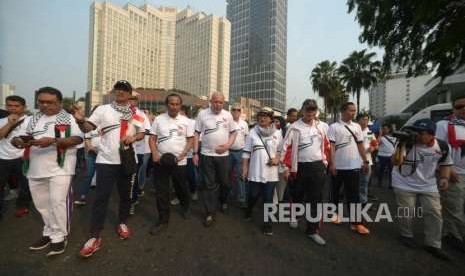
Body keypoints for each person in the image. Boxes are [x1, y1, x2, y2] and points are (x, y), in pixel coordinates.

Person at [73, 80, 145, 257]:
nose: (121, 92)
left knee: (125, 196)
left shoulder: (137, 113)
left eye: (125, 90)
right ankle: (95, 236)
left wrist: (133, 138)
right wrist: (81, 122)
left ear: (130, 94)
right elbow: (89, 127)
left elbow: (143, 132)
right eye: (118, 89)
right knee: (101, 198)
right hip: (106, 160)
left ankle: (122, 222)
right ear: (114, 92)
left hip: (127, 160)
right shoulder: (102, 109)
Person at [11, 87, 83, 256]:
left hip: (61, 168)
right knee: (42, 205)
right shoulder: (31, 119)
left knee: (58, 203)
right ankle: (49, 232)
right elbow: (17, 137)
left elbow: (78, 139)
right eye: (41, 102)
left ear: (59, 103)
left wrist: (54, 141)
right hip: (35, 168)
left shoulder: (69, 118)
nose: (45, 105)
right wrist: (20, 141)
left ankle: (59, 237)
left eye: (50, 102)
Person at [392, 118, 452, 260]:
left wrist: (444, 178)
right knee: (406, 212)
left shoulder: (442, 146)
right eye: (415, 131)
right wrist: (402, 145)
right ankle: (406, 235)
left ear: (432, 135)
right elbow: (394, 162)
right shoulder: (406, 143)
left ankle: (434, 244)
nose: (417, 135)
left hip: (428, 185)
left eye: (421, 133)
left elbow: (445, 164)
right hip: (403, 182)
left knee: (434, 213)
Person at [281, 99, 328, 245]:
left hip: (317, 167)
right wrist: (286, 168)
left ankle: (312, 230)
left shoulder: (321, 127)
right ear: (303, 110)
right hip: (299, 167)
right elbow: (285, 148)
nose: (310, 113)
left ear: (316, 111)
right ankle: (294, 216)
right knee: (297, 195)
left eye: (313, 110)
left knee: (315, 199)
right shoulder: (295, 127)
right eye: (308, 110)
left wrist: (324, 162)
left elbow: (325, 146)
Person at [148, 94, 193, 234]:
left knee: (181, 187)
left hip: (179, 161)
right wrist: (155, 153)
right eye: (171, 104)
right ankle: (163, 220)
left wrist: (183, 154)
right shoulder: (159, 120)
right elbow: (152, 138)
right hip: (161, 160)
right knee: (161, 192)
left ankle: (185, 206)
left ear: (180, 105)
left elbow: (191, 139)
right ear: (167, 104)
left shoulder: (186, 121)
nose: (174, 106)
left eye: (177, 104)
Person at [193, 92, 237, 227]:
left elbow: (233, 132)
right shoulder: (202, 114)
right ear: (211, 101)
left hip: (223, 156)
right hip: (207, 155)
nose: (218, 105)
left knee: (224, 182)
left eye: (221, 102)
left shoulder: (228, 115)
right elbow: (196, 133)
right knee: (208, 185)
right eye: (215, 102)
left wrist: (228, 145)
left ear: (223, 103)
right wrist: (195, 153)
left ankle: (223, 201)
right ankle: (210, 213)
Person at [328, 102, 370, 235]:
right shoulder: (334, 127)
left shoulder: (357, 126)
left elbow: (360, 145)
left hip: (354, 166)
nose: (352, 113)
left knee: (354, 196)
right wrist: (332, 164)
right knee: (335, 193)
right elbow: (332, 147)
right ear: (343, 111)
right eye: (350, 110)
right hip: (338, 166)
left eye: (354, 111)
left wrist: (365, 161)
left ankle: (356, 223)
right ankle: (334, 214)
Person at [242, 107, 282, 236]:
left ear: (271, 119)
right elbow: (246, 153)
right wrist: (244, 169)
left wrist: (277, 158)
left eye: (265, 116)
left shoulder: (277, 133)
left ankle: (267, 224)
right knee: (253, 195)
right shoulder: (252, 132)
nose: (262, 118)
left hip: (271, 173)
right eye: (260, 115)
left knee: (268, 199)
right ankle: (249, 210)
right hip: (255, 172)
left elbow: (281, 151)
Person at [436, 96, 465, 252]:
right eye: (460, 106)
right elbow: (438, 149)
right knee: (455, 208)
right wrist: (448, 170)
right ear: (453, 108)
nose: (464, 109)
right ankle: (455, 236)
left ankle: (451, 234)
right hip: (456, 173)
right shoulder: (443, 125)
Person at [0, 95, 32, 220]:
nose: (13, 108)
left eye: (16, 106)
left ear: (24, 107)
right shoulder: (2, 120)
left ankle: (22, 206)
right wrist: (9, 124)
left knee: (25, 185)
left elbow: (33, 139)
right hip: (2, 158)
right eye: (9, 105)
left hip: (22, 158)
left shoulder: (30, 121)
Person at [74, 105, 101, 206]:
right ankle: (82, 197)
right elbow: (87, 139)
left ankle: (100, 200)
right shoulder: (89, 125)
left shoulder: (106, 124)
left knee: (103, 177)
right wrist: (91, 148)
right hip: (92, 153)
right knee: (88, 175)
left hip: (104, 155)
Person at [128, 95, 151, 215]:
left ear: (136, 102)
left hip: (139, 150)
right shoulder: (119, 112)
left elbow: (146, 130)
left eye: (133, 100)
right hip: (120, 151)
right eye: (129, 99)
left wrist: (133, 118)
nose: (131, 101)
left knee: (135, 175)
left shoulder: (140, 114)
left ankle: (133, 200)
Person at [229, 103, 249, 208]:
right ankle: (227, 196)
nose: (236, 111)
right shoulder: (227, 122)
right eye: (234, 109)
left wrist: (246, 153)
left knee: (241, 176)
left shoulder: (244, 124)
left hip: (240, 152)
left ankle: (242, 198)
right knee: (227, 175)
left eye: (238, 110)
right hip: (228, 152)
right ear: (231, 111)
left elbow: (247, 138)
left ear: (241, 112)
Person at [357, 113, 377, 207]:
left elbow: (374, 143)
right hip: (354, 162)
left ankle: (363, 203)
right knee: (354, 184)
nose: (365, 122)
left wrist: (373, 148)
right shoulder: (354, 131)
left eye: (367, 120)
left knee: (364, 183)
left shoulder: (369, 133)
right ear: (358, 120)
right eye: (363, 119)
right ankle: (353, 202)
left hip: (367, 162)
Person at [180, 105, 199, 201]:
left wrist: (194, 151)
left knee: (190, 174)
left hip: (189, 154)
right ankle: (181, 196)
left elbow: (196, 137)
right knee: (179, 176)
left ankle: (194, 191)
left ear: (183, 112)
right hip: (177, 154)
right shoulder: (175, 122)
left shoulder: (192, 123)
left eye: (179, 111)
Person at [377, 123, 396, 188]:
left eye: (385, 129)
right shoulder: (381, 137)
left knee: (391, 171)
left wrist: (394, 154)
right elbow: (377, 143)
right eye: (382, 129)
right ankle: (379, 182)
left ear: (389, 129)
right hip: (382, 155)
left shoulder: (394, 137)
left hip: (391, 156)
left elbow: (395, 147)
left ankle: (390, 184)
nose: (384, 130)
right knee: (381, 170)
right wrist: (380, 134)